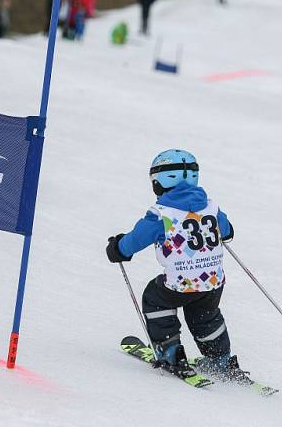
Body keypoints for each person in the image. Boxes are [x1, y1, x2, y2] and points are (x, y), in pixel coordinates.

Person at [105, 149, 250, 383]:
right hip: (213, 281)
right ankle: (220, 359)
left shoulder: (161, 214)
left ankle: (170, 352)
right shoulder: (210, 207)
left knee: (155, 299)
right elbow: (228, 230)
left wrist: (118, 248)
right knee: (205, 316)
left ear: (160, 181)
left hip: (181, 283)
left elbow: (135, 241)